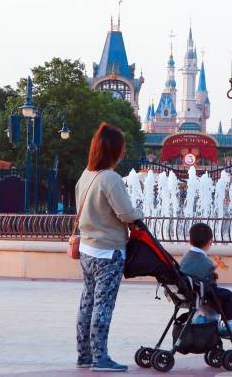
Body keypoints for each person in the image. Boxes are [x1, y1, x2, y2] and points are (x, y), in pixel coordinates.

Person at [75, 122, 143, 372]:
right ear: (114, 150)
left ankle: (84, 354)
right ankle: (100, 358)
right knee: (103, 305)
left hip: (87, 249)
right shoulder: (111, 179)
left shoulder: (86, 175)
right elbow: (126, 214)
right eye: (122, 147)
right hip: (109, 252)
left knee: (87, 303)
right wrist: (140, 212)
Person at [179, 223, 232, 339]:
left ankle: (204, 319)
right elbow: (211, 283)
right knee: (227, 295)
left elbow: (194, 269)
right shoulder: (207, 263)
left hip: (187, 293)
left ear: (190, 241)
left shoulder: (186, 257)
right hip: (201, 295)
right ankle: (230, 326)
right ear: (210, 242)